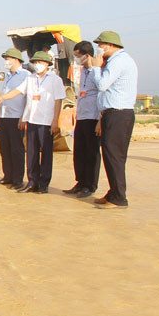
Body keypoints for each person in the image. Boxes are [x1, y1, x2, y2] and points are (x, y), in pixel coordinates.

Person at [0, 51, 66, 194]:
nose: (37, 65)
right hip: (32, 120)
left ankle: (43, 184)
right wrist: (3, 98)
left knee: (46, 154)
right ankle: (32, 181)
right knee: (32, 154)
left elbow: (58, 101)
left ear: (47, 64)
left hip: (46, 121)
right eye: (35, 62)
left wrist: (55, 121)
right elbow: (18, 91)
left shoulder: (55, 80)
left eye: (40, 62)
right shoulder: (31, 78)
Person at [90, 31, 138, 209]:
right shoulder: (115, 61)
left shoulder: (119, 61)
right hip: (113, 113)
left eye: (101, 45)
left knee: (114, 155)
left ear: (109, 45)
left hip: (119, 114)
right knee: (110, 155)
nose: (99, 49)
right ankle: (113, 192)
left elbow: (102, 85)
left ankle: (119, 198)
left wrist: (96, 68)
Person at [64, 41, 100, 198]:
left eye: (78, 56)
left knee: (91, 153)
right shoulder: (82, 72)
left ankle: (90, 185)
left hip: (93, 117)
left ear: (87, 55)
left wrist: (100, 119)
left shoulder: (98, 71)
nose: (76, 59)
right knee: (79, 152)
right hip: (82, 116)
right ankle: (80, 182)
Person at [0, 48, 30, 188]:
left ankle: (18, 179)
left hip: (16, 116)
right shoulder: (8, 76)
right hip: (4, 116)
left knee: (16, 149)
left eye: (7, 59)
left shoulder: (26, 75)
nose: (6, 61)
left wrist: (23, 116)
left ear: (16, 59)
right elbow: (3, 97)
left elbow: (27, 98)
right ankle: (7, 176)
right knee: (5, 148)